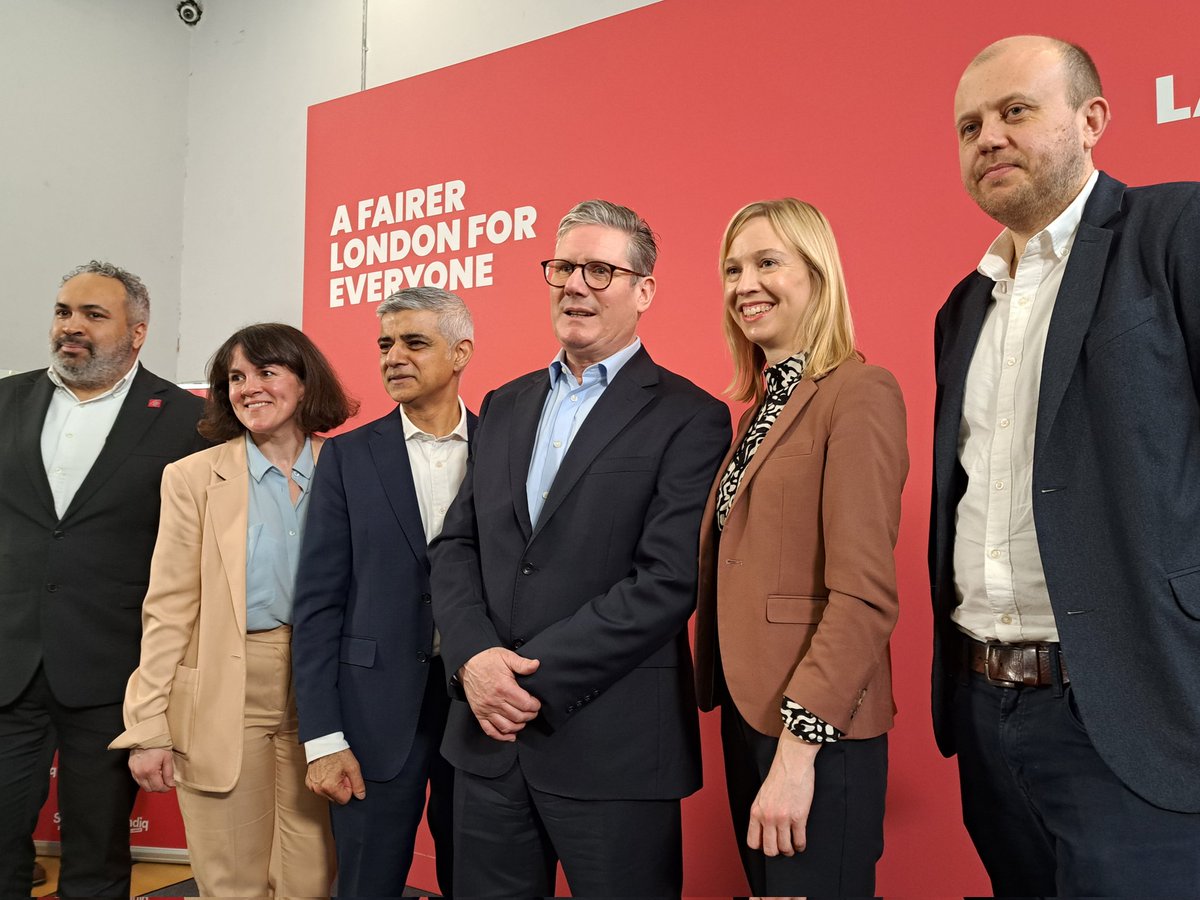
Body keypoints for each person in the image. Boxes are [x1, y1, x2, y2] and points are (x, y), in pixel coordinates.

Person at [930, 34, 1200, 896]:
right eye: (970, 126)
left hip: (1136, 709)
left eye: (1016, 111)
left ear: (1092, 121)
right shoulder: (962, 307)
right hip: (987, 713)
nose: (988, 139)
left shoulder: (1175, 232)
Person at [429, 199, 731, 897]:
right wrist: (474, 660)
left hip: (614, 751)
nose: (575, 285)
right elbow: (456, 544)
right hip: (487, 745)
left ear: (644, 290)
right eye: (564, 266)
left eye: (600, 270)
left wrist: (521, 681)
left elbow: (665, 580)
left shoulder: (690, 417)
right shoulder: (504, 402)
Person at [693, 198, 908, 896]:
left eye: (766, 262)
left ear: (817, 275)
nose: (743, 284)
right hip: (748, 710)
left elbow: (864, 594)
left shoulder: (860, 392)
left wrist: (796, 751)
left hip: (815, 729)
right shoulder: (761, 409)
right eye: (732, 268)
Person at [110, 323, 356, 897]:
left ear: (303, 380)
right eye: (235, 378)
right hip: (226, 691)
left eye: (266, 372)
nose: (248, 388)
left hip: (324, 692)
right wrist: (147, 724)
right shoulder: (192, 478)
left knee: (312, 881)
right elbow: (167, 608)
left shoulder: (350, 466)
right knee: (231, 882)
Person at [0, 261, 209, 898]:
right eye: (65, 312)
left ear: (138, 332)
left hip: (115, 672)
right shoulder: (5, 399)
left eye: (94, 315)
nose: (73, 327)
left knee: (95, 857)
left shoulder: (186, 420)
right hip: (8, 665)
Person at [292, 287, 475, 896]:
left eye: (414, 342)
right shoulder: (347, 457)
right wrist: (322, 738)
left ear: (461, 353)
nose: (394, 356)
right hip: (371, 717)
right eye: (385, 344)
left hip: (481, 712)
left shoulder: (507, 446)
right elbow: (318, 604)